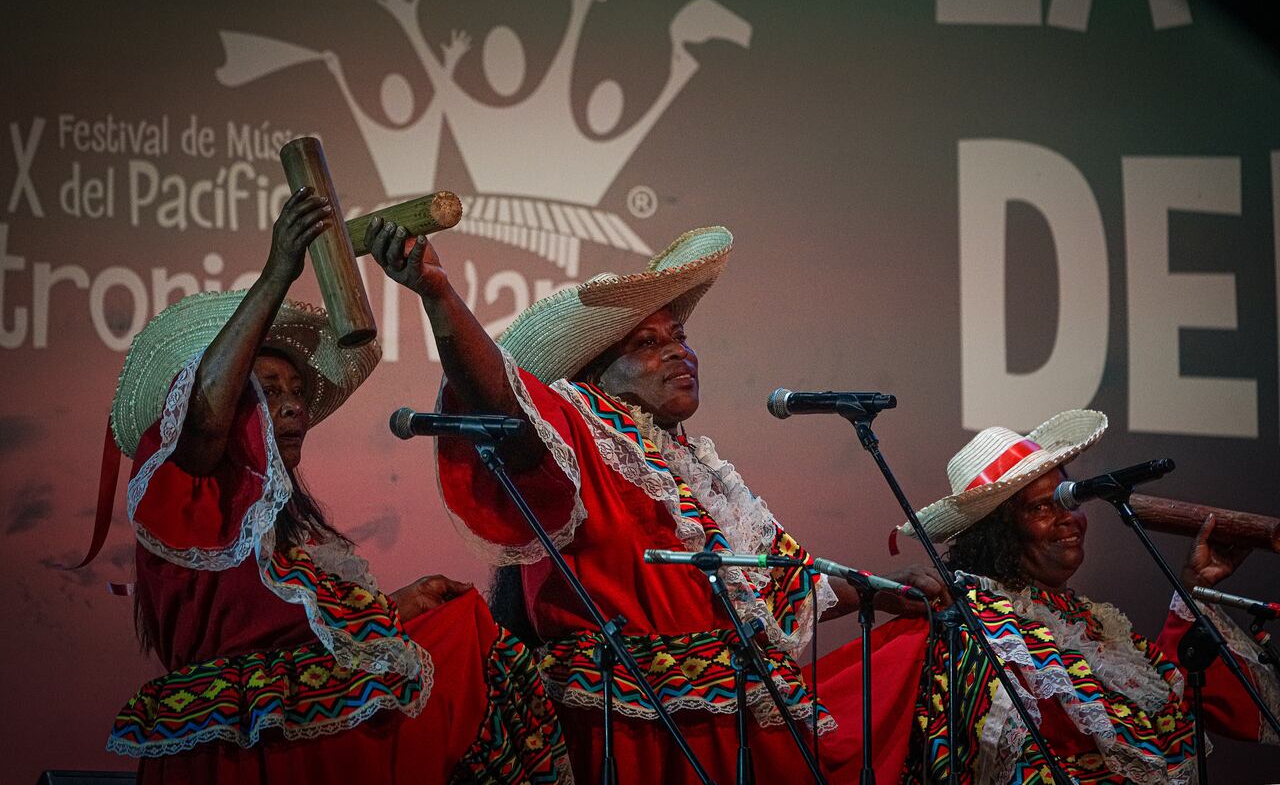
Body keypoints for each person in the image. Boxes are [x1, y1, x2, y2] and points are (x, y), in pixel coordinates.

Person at [365, 219, 943, 782]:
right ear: (596, 370)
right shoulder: (579, 430)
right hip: (630, 731)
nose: (677, 354)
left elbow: (784, 586)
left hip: (730, 731)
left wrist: (885, 588)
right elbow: (501, 399)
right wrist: (439, 294)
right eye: (647, 343)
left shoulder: (699, 469)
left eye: (679, 338)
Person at [104, 188, 569, 784]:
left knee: (469, 633)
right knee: (464, 646)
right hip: (237, 744)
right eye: (269, 390)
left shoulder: (275, 519)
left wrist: (394, 609)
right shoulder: (182, 481)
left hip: (294, 722)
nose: (295, 408)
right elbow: (201, 413)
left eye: (297, 393)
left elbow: (294, 627)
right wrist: (279, 272)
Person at [820, 410, 1279, 783]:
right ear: (998, 531)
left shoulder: (1092, 622)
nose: (1066, 518)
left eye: (1068, 500)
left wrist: (1194, 589)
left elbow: (1172, 707)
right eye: (1041, 507)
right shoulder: (966, 617)